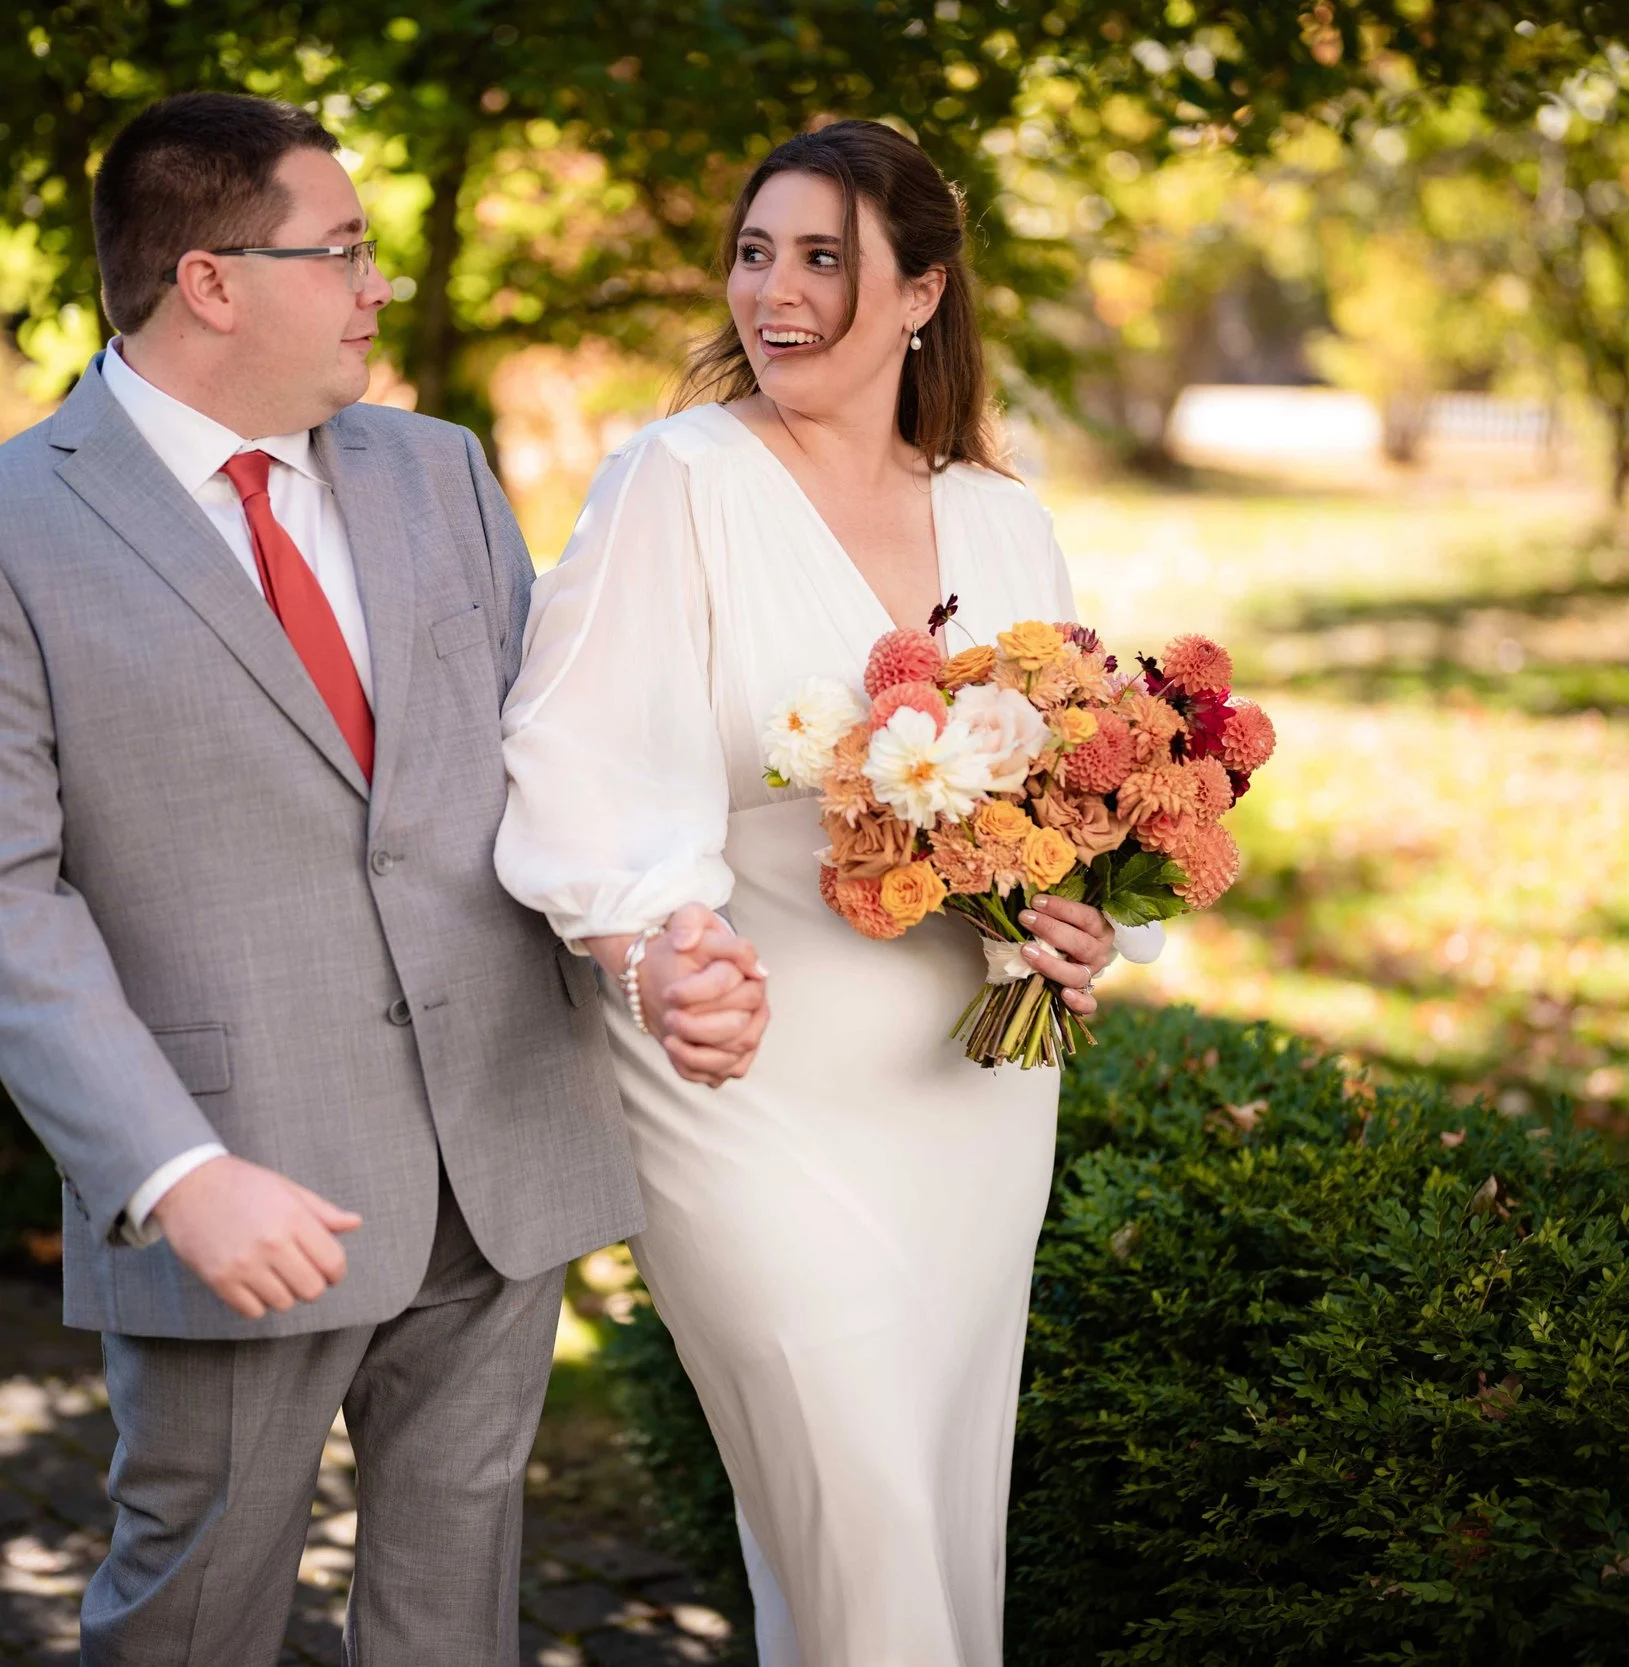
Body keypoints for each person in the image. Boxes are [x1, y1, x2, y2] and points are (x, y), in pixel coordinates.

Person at [0, 91, 754, 1665]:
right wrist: (170, 1172)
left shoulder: (439, 472)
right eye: (342, 251)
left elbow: (557, 765)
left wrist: (650, 943)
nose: (376, 288)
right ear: (210, 278)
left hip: (498, 1151)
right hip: (239, 1184)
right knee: (196, 1608)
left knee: (454, 1617)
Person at [496, 120, 1165, 1666]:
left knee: (929, 1506)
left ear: (924, 292)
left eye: (824, 260)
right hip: (745, 1070)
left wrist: (1080, 923)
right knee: (851, 1486)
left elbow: (1064, 792)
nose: (774, 295)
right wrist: (649, 942)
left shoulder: (1005, 518)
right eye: (754, 253)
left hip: (968, 1087)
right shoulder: (679, 481)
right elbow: (573, 751)